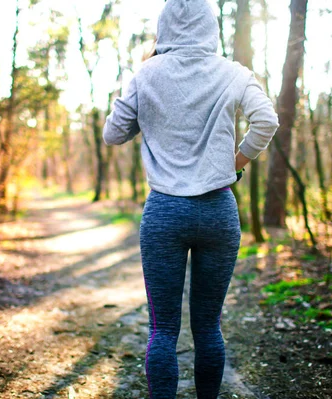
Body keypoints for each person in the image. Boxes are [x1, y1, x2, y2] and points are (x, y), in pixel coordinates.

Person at [103, 0, 279, 397]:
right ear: (210, 27)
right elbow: (267, 119)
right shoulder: (233, 73)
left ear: (164, 28)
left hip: (164, 213)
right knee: (208, 325)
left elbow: (113, 134)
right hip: (218, 210)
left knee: (163, 328)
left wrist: (143, 87)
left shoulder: (146, 74)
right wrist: (237, 160)